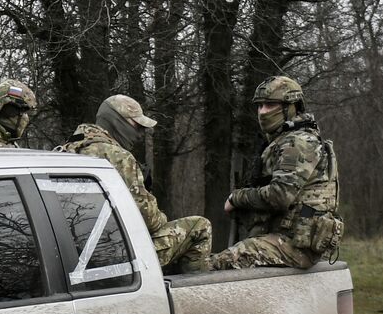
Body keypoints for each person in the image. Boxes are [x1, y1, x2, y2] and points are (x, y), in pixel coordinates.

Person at [58, 94, 212, 273]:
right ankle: (191, 295)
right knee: (199, 226)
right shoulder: (118, 157)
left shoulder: (66, 151)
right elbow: (148, 220)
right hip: (114, 254)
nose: (139, 134)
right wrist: (160, 214)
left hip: (71, 252)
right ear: (117, 122)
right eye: (136, 126)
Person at [211, 76, 343, 270]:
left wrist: (236, 198)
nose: (263, 112)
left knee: (219, 264)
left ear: (291, 107)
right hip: (284, 238)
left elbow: (279, 195)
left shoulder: (298, 142)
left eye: (270, 105)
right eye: (260, 106)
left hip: (295, 245)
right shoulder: (282, 140)